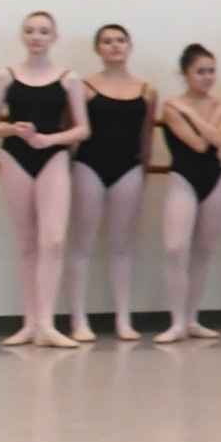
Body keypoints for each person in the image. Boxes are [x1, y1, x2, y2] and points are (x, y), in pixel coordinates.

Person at [0, 12, 92, 348]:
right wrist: (11, 129)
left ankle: (47, 322)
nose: (36, 37)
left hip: (53, 155)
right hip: (16, 155)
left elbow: (82, 128)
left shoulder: (69, 79)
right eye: (30, 31)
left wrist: (50, 140)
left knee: (54, 240)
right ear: (23, 36)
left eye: (44, 31)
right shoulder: (6, 76)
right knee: (28, 241)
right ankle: (30, 322)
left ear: (54, 37)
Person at [68, 24, 157, 342]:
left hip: (128, 168)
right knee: (82, 244)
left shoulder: (146, 90)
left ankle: (123, 318)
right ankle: (79, 319)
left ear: (130, 46)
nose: (114, 46)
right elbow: (71, 130)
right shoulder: (83, 86)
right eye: (107, 41)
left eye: (120, 40)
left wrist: (144, 172)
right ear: (98, 49)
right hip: (89, 165)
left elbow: (147, 135)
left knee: (121, 247)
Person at [156, 44, 221, 343]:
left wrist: (193, 114)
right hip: (183, 178)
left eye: (211, 71)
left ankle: (192, 319)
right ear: (186, 74)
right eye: (200, 72)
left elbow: (217, 140)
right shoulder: (172, 106)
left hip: (214, 178)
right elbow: (199, 145)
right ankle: (176, 321)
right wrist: (198, 114)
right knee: (175, 249)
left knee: (202, 252)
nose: (207, 77)